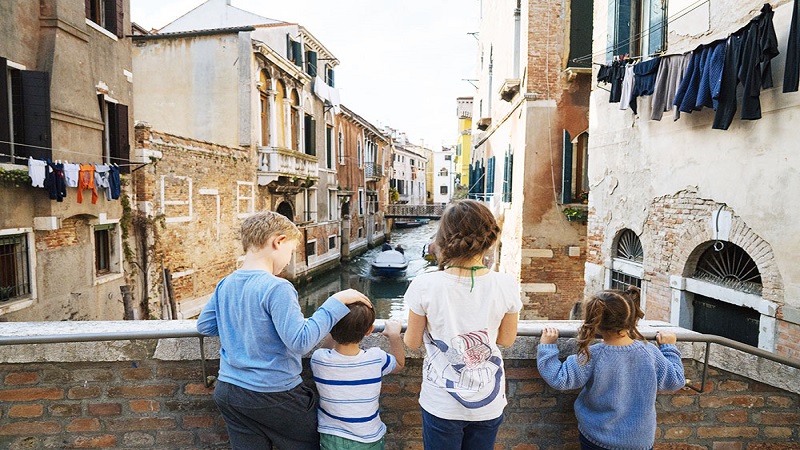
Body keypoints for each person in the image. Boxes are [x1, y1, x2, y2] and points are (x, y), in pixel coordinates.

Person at [197, 211, 372, 450]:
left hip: (230, 391)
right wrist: (335, 302)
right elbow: (300, 342)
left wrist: (242, 326)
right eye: (290, 252)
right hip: (274, 396)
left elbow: (205, 326)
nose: (289, 261)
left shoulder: (226, 283)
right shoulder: (278, 287)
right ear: (277, 242)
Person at [403, 199, 522, 450]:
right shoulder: (506, 284)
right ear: (489, 239)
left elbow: (412, 342)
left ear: (444, 238)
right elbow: (506, 340)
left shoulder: (424, 285)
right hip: (488, 402)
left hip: (441, 403)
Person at [537, 290, 685, 450]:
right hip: (639, 441)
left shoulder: (592, 355)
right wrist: (669, 347)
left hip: (596, 438)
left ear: (595, 323)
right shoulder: (650, 352)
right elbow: (675, 380)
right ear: (630, 317)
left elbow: (560, 379)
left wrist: (547, 346)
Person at [310, 305, 405, 450]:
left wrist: (333, 328)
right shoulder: (376, 358)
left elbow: (325, 349)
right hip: (368, 436)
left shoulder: (319, 359)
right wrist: (394, 336)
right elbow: (398, 363)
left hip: (332, 436)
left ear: (331, 328)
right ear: (369, 330)